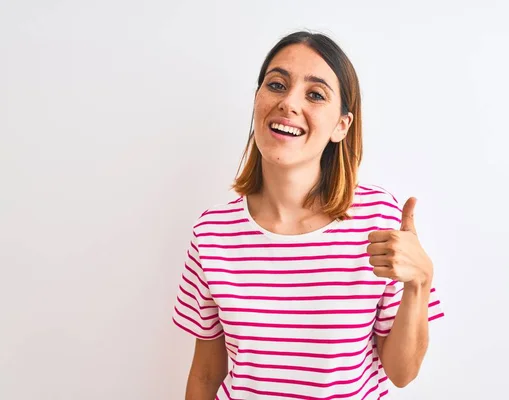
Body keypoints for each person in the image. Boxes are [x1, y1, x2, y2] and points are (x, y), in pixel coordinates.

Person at [172, 30, 444, 400]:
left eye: (315, 94)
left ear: (341, 126)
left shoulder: (378, 220)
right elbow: (205, 374)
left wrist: (420, 282)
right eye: (277, 85)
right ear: (257, 99)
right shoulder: (212, 233)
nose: (289, 103)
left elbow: (401, 373)